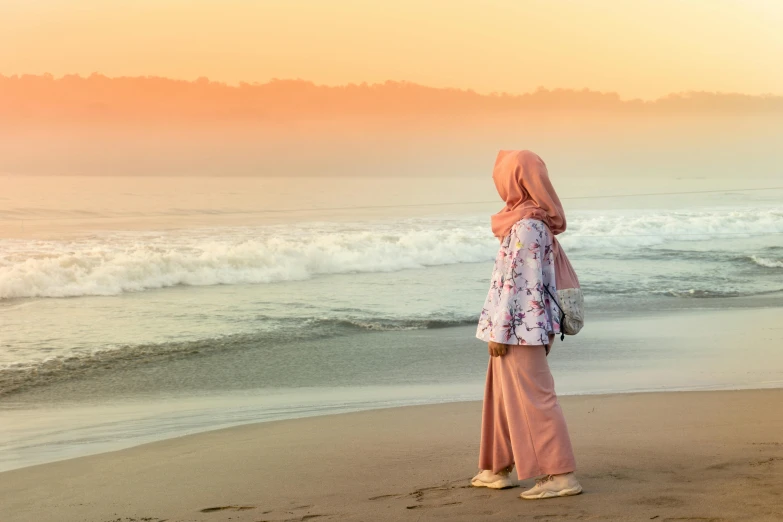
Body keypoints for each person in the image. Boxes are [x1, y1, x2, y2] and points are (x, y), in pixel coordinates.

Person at [470, 150, 582, 500]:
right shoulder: (528, 221)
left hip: (520, 329)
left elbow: (522, 285)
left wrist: (500, 332)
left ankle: (560, 474)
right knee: (502, 396)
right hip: (520, 326)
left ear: (515, 180)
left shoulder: (528, 226)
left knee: (536, 399)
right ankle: (496, 468)